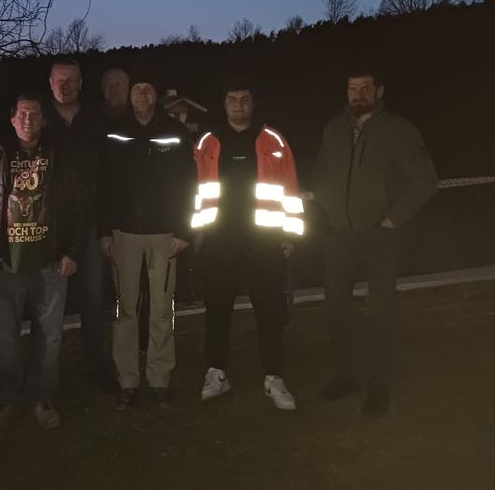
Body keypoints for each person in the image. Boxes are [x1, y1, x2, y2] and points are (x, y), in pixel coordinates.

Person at [313, 68, 437, 415]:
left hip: (381, 236)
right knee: (337, 306)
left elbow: (426, 180)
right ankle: (346, 374)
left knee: (382, 308)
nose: (358, 94)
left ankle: (380, 383)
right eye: (353, 88)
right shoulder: (333, 130)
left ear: (379, 91)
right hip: (340, 233)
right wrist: (329, 208)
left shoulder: (399, 130)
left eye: (366, 88)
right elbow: (320, 174)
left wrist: (392, 219)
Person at [0, 93, 86, 431]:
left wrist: (72, 253)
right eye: (22, 113)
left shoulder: (61, 156)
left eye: (35, 113)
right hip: (6, 264)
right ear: (12, 118)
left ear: (43, 119)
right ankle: (6, 400)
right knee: (5, 336)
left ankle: (41, 397)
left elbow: (79, 207)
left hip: (51, 264)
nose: (28, 119)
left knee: (49, 337)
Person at [192, 79, 304, 411]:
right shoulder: (207, 142)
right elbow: (193, 190)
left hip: (265, 240)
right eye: (232, 99)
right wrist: (196, 232)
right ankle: (216, 372)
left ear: (253, 104)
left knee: (270, 310)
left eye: (245, 99)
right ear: (223, 104)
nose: (239, 104)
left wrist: (291, 234)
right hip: (219, 240)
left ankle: (273, 376)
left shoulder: (273, 140)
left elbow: (291, 188)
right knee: (217, 308)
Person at [99, 72, 196, 408]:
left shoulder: (176, 132)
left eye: (148, 89)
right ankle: (127, 379)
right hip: (123, 234)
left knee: (160, 312)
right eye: (137, 89)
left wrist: (185, 230)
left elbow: (190, 185)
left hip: (165, 235)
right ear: (130, 95)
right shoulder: (114, 131)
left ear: (156, 95)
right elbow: (104, 185)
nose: (142, 94)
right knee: (126, 310)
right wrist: (104, 231)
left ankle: (159, 379)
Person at [47, 57, 113, 391]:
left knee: (93, 297)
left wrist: (104, 228)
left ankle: (95, 366)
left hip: (88, 224)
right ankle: (47, 373)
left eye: (71, 80)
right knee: (48, 302)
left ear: (81, 84)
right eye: (59, 80)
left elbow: (108, 177)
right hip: (49, 227)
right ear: (50, 83)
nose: (65, 86)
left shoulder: (96, 121)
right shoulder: (39, 122)